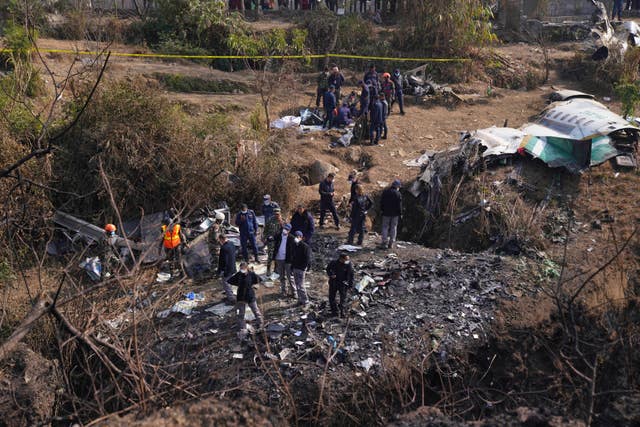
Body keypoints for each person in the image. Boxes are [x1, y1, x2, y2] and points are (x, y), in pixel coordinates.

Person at [227, 262, 264, 338]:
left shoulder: (251, 274)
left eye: (243, 268)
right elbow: (230, 280)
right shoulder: (239, 275)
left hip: (250, 295)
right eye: (241, 269)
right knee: (240, 313)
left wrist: (251, 284)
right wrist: (239, 284)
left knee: (255, 310)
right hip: (241, 297)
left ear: (247, 268)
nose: (242, 270)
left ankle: (261, 323)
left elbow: (259, 279)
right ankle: (242, 328)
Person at [326, 252, 354, 317]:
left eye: (348, 259)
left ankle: (342, 312)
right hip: (334, 283)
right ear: (341, 259)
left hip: (343, 284)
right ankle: (334, 312)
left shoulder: (348, 264)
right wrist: (331, 275)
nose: (347, 261)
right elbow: (328, 269)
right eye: (346, 259)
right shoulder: (333, 263)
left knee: (343, 299)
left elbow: (351, 275)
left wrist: (350, 285)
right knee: (332, 298)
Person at [272, 223, 295, 297]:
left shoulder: (292, 238)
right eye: (284, 229)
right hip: (279, 258)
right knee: (282, 276)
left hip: (288, 260)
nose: (285, 230)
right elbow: (271, 238)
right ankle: (283, 291)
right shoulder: (278, 235)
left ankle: (294, 292)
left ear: (289, 231)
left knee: (290, 277)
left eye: (287, 229)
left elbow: (299, 244)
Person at [380, 179, 402, 249]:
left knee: (385, 227)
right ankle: (391, 243)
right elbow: (399, 205)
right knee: (393, 227)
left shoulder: (385, 192)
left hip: (386, 213)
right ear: (397, 186)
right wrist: (400, 213)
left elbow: (382, 202)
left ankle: (384, 242)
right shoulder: (398, 194)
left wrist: (382, 210)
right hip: (395, 214)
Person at [291, 231, 312, 305]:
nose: (296, 238)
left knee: (301, 285)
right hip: (295, 267)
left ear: (301, 237)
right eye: (295, 237)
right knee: (297, 285)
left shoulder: (305, 246)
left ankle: (305, 301)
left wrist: (303, 268)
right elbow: (293, 257)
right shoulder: (294, 245)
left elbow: (307, 259)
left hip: (301, 269)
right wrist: (292, 267)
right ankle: (300, 299)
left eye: (297, 237)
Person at [217, 234, 237, 304]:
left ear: (221, 239)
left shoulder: (224, 248)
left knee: (226, 284)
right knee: (230, 283)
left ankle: (231, 299)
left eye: (219, 240)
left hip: (227, 270)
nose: (219, 242)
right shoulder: (232, 244)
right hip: (232, 267)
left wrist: (222, 271)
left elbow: (223, 261)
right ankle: (230, 296)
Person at [263, 207, 283, 275]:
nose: (276, 215)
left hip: (278, 241)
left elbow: (286, 230)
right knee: (270, 255)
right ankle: (268, 269)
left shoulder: (282, 221)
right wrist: (265, 237)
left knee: (277, 255)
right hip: (271, 241)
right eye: (275, 214)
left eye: (278, 214)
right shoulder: (270, 220)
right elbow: (265, 230)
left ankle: (276, 270)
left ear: (280, 213)